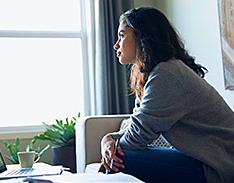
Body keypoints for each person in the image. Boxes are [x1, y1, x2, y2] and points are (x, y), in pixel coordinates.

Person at [99, 7, 234, 183]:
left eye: (122, 35)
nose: (116, 44)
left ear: (141, 36)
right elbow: (136, 125)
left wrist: (113, 151)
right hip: (201, 159)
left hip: (217, 166)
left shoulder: (167, 74)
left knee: (122, 158)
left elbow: (138, 137)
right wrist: (107, 140)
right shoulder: (154, 73)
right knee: (119, 156)